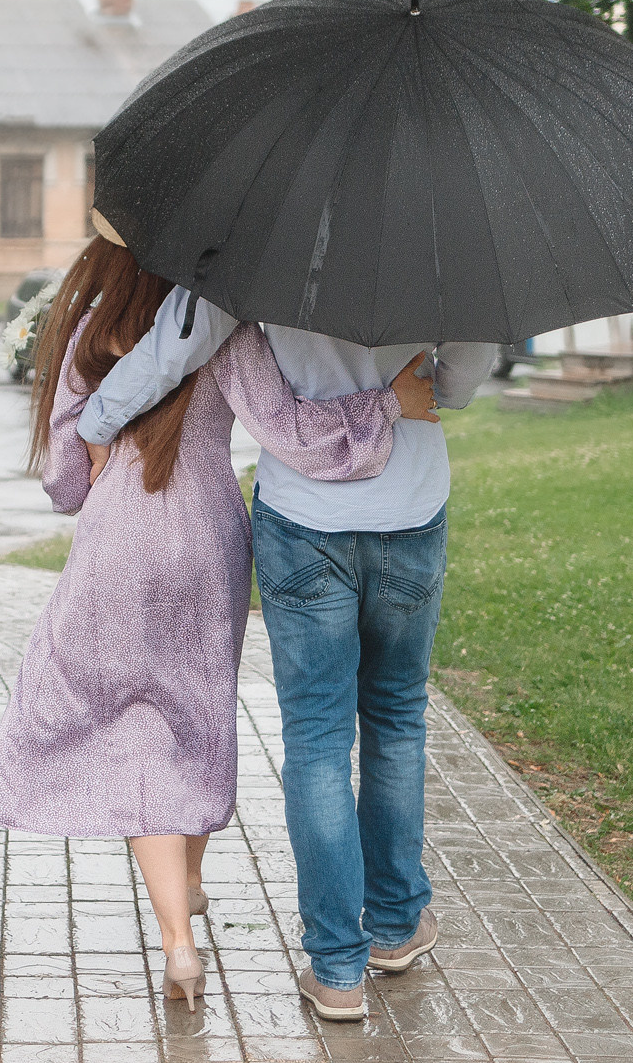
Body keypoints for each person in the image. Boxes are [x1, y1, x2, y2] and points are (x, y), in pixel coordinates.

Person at [0, 220, 433, 1011]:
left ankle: (179, 939)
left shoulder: (92, 327)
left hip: (117, 540)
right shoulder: (225, 319)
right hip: (206, 537)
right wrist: (385, 408)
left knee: (136, 728)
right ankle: (190, 880)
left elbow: (63, 478)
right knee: (192, 719)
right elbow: (293, 434)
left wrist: (94, 458)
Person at [77, 281, 497, 1021]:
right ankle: (396, 926)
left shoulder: (273, 237)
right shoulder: (438, 237)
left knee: (317, 740)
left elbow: (182, 340)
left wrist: (100, 419)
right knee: (397, 718)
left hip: (305, 517)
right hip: (410, 509)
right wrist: (422, 366)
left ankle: (337, 967)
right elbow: (458, 385)